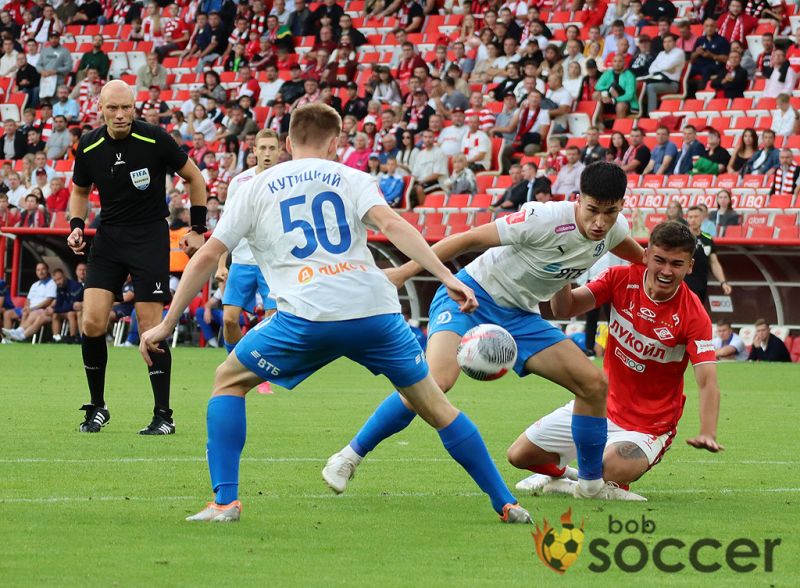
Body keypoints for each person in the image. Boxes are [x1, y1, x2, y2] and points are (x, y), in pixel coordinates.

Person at [139, 102, 532, 525]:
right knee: (437, 408)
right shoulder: (353, 176)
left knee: (228, 381)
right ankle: (505, 502)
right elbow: (394, 225)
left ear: (287, 143)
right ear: (336, 142)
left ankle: (225, 502)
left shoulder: (254, 185)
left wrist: (166, 321)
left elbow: (208, 255)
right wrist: (444, 276)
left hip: (307, 316)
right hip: (376, 313)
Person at [324, 162, 647, 502]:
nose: (599, 222)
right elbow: (467, 238)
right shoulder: (543, 218)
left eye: (609, 213)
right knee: (434, 382)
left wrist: (657, 262)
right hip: (470, 296)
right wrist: (404, 273)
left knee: (593, 384)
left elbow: (633, 251)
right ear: (577, 199)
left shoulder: (614, 229)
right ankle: (348, 456)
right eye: (592, 210)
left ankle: (591, 486)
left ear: (621, 206)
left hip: (520, 316)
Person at [512, 222, 723, 499]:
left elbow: (707, 380)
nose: (666, 271)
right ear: (646, 255)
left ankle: (595, 481)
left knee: (606, 467)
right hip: (598, 406)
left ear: (690, 266)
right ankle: (569, 478)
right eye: (659, 260)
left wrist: (707, 431)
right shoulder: (620, 278)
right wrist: (562, 272)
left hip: (649, 426)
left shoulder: (694, 314)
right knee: (519, 455)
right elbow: (566, 307)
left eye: (676, 263)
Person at [65, 80, 207, 435]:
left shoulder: (154, 138)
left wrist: (197, 228)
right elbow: (80, 190)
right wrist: (77, 224)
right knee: (92, 323)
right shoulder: (89, 144)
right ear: (100, 108)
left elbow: (195, 178)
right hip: (109, 238)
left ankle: (163, 415)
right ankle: (97, 407)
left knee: (150, 329)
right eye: (113, 108)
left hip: (149, 237)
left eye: (126, 107)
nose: (120, 114)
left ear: (135, 106)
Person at [214, 129, 280, 395]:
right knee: (230, 320)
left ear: (280, 150)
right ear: (253, 151)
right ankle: (236, 363)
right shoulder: (239, 182)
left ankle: (260, 372)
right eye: (262, 148)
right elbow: (226, 225)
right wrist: (221, 263)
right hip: (241, 260)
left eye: (271, 148)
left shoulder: (287, 179)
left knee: (272, 320)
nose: (266, 153)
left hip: (272, 263)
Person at [684, 205, 732, 303]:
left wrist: (723, 282)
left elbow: (714, 262)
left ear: (702, 218)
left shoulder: (707, 238)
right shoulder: (682, 237)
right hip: (685, 284)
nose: (693, 220)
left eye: (696, 217)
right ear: (687, 219)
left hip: (702, 283)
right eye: (690, 217)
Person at [2, 261, 56, 342]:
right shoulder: (34, 285)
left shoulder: (52, 283)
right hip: (30, 308)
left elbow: (49, 300)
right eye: (38, 270)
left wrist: (32, 308)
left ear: (47, 270)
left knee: (32, 313)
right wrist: (26, 307)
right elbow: (28, 299)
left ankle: (18, 332)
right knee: (8, 313)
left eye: (43, 269)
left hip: (40, 309)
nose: (40, 272)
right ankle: (7, 339)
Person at [49, 267, 82, 343]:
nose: (58, 282)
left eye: (59, 279)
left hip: (80, 310)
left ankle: (73, 337)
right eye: (55, 280)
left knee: (70, 314)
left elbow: (73, 306)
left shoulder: (75, 286)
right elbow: (58, 305)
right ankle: (56, 338)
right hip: (68, 310)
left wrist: (55, 309)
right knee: (55, 314)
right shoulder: (60, 288)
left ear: (64, 276)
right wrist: (54, 310)